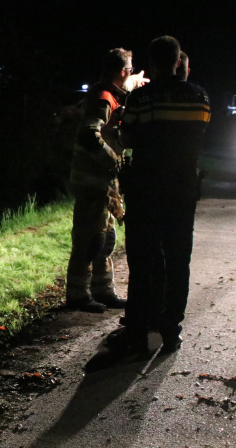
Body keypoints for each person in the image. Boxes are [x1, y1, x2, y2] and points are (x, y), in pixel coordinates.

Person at [112, 36, 210, 353]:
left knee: (143, 258)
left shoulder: (142, 97)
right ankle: (171, 329)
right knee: (178, 259)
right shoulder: (200, 98)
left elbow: (127, 138)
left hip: (146, 188)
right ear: (178, 62)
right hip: (182, 188)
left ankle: (138, 329)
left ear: (152, 63)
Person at [65, 48, 148, 312]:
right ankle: (78, 295)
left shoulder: (110, 91)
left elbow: (126, 84)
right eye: (130, 70)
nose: (130, 74)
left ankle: (103, 291)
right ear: (121, 71)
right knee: (89, 240)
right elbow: (89, 136)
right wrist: (115, 162)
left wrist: (137, 80)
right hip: (93, 181)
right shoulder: (102, 99)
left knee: (105, 239)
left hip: (104, 183)